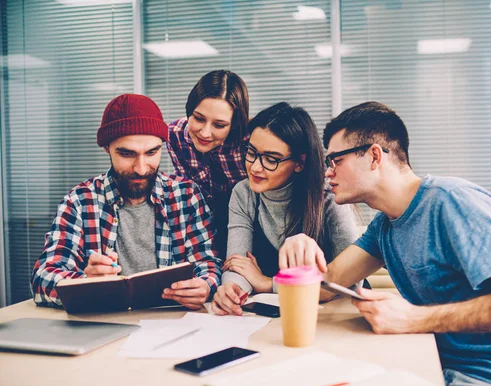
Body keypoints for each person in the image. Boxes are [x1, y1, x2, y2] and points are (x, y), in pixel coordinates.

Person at [277, 102, 491, 386]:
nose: (328, 173)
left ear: (375, 156)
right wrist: (299, 245)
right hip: (439, 371)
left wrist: (412, 319)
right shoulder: (385, 225)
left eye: (335, 160)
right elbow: (330, 284)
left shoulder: (453, 202)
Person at [31, 94, 221, 310]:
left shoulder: (187, 195)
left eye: (152, 152)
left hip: (172, 326)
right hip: (105, 329)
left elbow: (209, 264)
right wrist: (82, 282)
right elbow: (42, 279)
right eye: (127, 154)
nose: (141, 168)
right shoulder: (80, 202)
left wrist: (205, 286)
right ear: (107, 149)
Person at [211, 102, 359, 316]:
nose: (255, 167)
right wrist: (232, 291)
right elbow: (238, 265)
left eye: (271, 159)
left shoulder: (329, 198)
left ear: (299, 163)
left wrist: (267, 283)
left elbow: (351, 284)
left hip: (333, 316)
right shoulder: (243, 193)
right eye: (251, 152)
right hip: (276, 315)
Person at [167, 70, 250, 256]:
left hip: (250, 226)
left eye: (219, 125)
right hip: (204, 225)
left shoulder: (250, 143)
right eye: (198, 118)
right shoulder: (175, 135)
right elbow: (190, 194)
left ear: (234, 124)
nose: (205, 133)